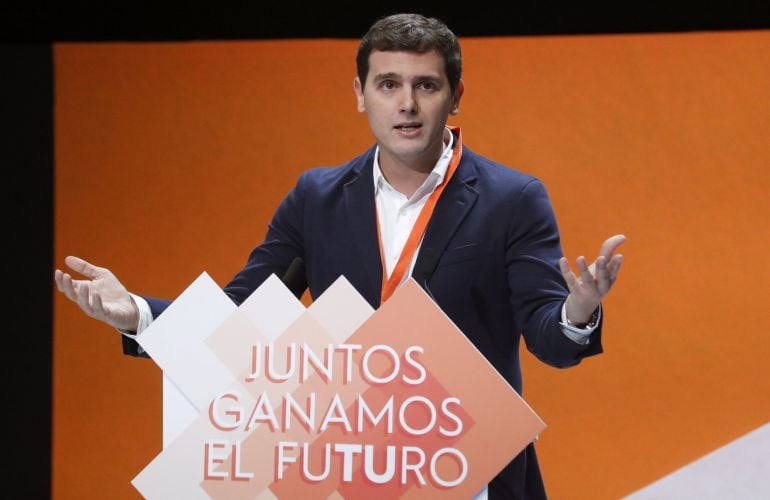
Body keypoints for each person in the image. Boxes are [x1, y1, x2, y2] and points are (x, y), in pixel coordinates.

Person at [55, 13, 624, 499]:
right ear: (359, 93)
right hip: (344, 470)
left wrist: (577, 313)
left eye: (426, 86)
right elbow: (239, 317)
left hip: (469, 471)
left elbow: (550, 341)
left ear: (455, 95)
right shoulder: (317, 197)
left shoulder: (512, 199)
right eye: (388, 84)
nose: (406, 104)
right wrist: (138, 313)